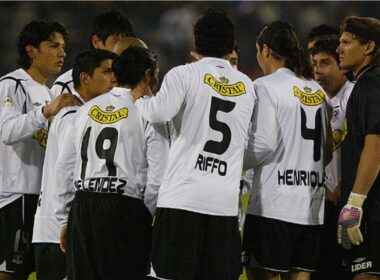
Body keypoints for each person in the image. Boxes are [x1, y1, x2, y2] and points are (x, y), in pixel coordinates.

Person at [133, 9, 256, 280]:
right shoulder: (247, 86)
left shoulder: (183, 74)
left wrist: (139, 98)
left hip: (183, 200)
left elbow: (158, 113)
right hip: (224, 205)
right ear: (231, 44)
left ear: (196, 43)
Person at [55, 46, 169, 280]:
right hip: (125, 208)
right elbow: (159, 175)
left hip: (83, 207)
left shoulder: (86, 110)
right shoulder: (148, 112)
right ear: (147, 74)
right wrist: (142, 213)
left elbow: (64, 167)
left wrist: (65, 218)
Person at [242, 21, 332, 280]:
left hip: (274, 206)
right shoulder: (318, 91)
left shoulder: (265, 86)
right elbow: (326, 152)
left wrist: (233, 159)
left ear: (265, 50)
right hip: (311, 207)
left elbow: (263, 144)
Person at [0, 20, 81, 280]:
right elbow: (7, 132)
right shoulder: (12, 84)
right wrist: (46, 112)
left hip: (42, 198)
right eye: (53, 45)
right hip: (17, 195)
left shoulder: (48, 93)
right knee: (11, 271)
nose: (62, 53)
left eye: (64, 47)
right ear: (31, 50)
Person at [32, 49, 117, 280]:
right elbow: (66, 170)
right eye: (107, 72)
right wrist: (64, 219)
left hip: (60, 227)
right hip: (57, 232)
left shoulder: (83, 113)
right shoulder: (73, 115)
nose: (113, 79)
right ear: (85, 79)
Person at [336, 16, 380, 280]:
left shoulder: (371, 85)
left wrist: (355, 202)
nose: (339, 48)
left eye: (346, 42)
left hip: (373, 210)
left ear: (369, 47)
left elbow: (375, 144)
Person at [310, 38, 353, 280]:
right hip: (320, 203)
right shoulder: (316, 101)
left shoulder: (353, 95)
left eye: (325, 63)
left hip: (345, 202)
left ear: (341, 65)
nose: (317, 70)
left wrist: (343, 186)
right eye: (314, 63)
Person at [50, 9, 136, 97]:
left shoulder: (136, 82)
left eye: (127, 42)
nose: (123, 48)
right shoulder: (68, 85)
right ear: (96, 42)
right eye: (116, 41)